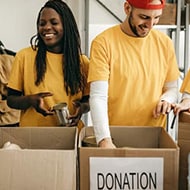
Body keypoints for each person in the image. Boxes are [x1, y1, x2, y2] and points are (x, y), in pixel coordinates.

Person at [88, 0, 180, 148]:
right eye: (144, 17)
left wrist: (166, 100)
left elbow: (172, 89)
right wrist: (104, 140)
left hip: (154, 138)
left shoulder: (165, 44)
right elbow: (98, 96)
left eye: (156, 17)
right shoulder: (103, 43)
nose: (150, 25)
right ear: (127, 8)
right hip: (115, 138)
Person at [7, 0, 89, 128]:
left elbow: (88, 100)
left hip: (71, 135)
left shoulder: (82, 62)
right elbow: (11, 100)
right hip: (33, 137)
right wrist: (30, 100)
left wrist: (82, 108)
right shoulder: (24, 56)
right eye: (42, 23)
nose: (46, 27)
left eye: (54, 22)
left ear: (66, 25)